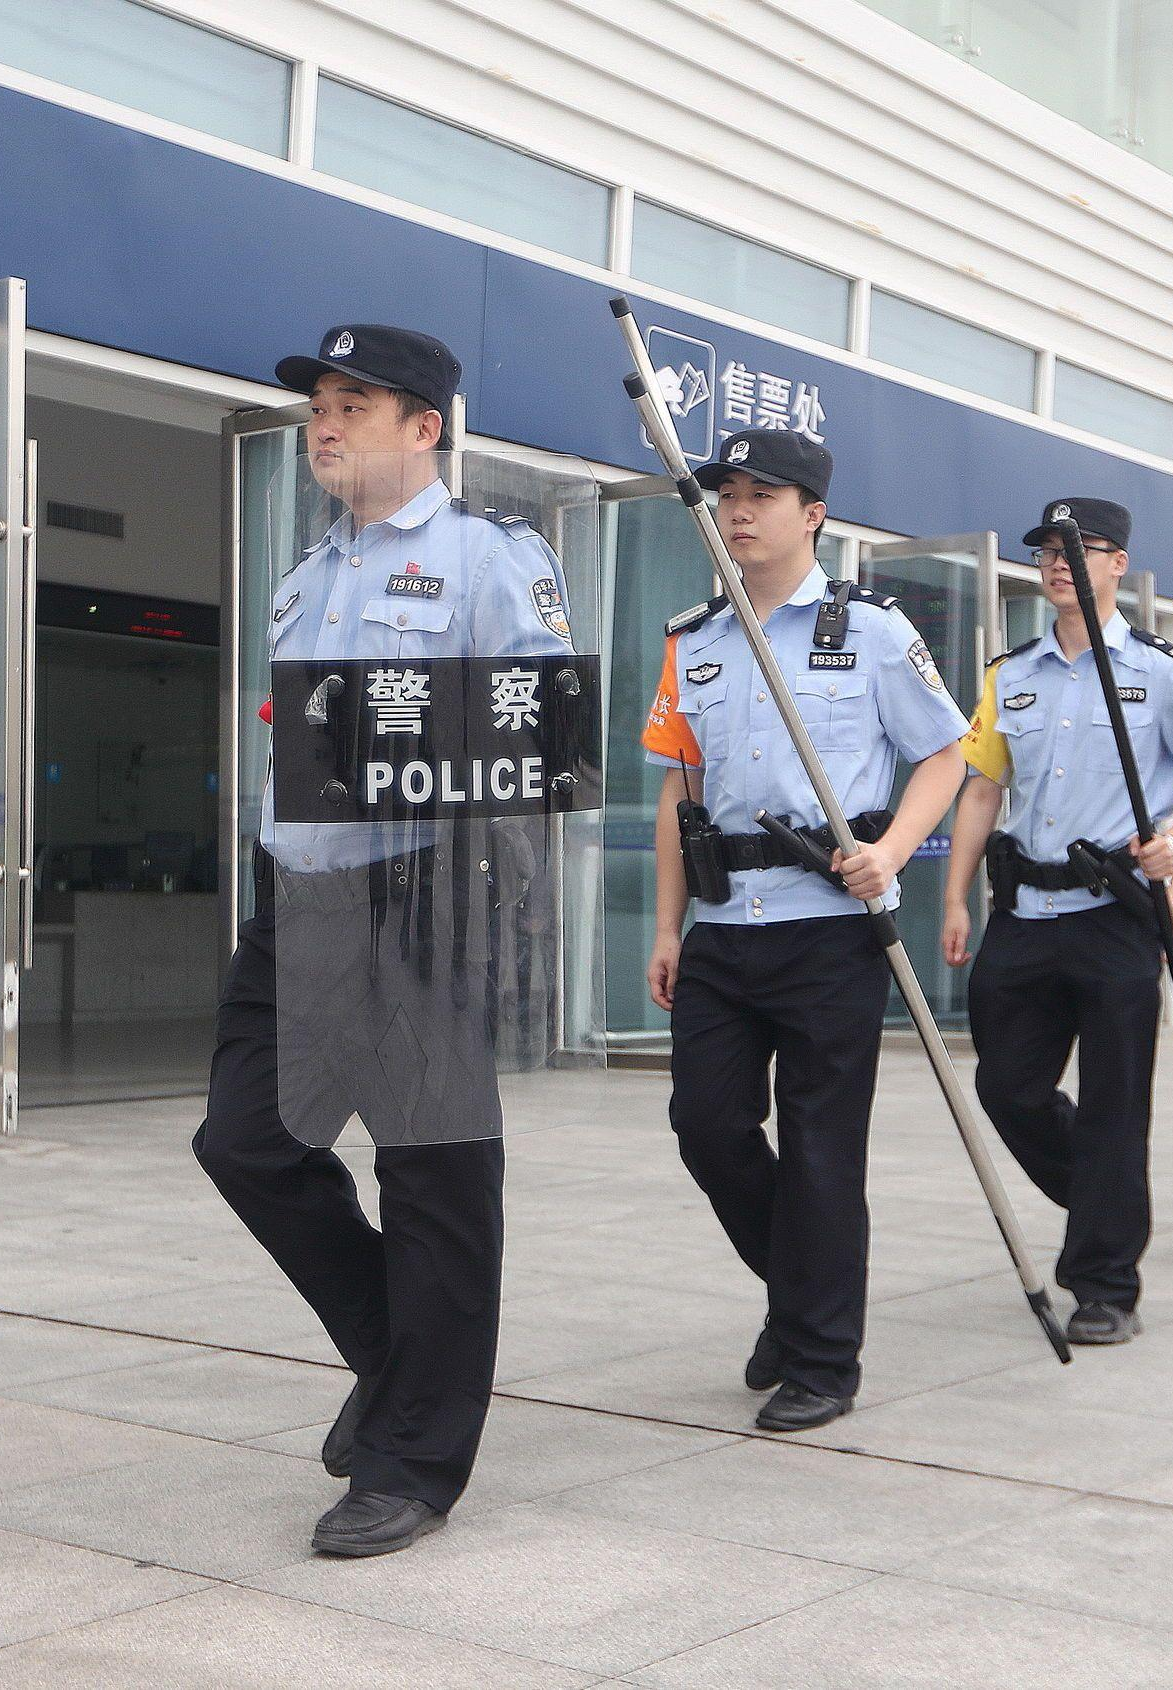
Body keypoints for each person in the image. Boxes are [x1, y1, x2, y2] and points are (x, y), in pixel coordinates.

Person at [193, 322, 573, 1558]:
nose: (327, 423)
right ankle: (400, 1357)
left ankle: (413, 1460)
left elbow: (550, 740)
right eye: (319, 404)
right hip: (298, 896)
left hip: (425, 891)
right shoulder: (306, 575)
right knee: (244, 1140)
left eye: (358, 404)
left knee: (433, 1181)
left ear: (428, 428)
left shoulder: (489, 560)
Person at [640, 427, 968, 1432]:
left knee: (824, 1149)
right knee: (706, 1126)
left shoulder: (868, 630)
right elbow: (679, 788)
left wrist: (898, 850)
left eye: (762, 494)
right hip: (725, 928)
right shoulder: (694, 636)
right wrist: (666, 925)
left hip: (829, 927)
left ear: (813, 513)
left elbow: (945, 754)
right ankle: (797, 1292)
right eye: (727, 493)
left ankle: (822, 1357)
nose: (738, 510)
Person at [940, 497, 1173, 1344]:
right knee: (1006, 1087)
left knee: (1114, 1107)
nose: (1060, 562)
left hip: (1112, 917)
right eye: (1047, 550)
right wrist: (957, 896)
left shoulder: (1161, 672)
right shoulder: (1012, 673)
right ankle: (1103, 1201)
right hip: (1024, 915)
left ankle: (1106, 1284)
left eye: (1083, 548)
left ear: (1117, 565)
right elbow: (983, 788)